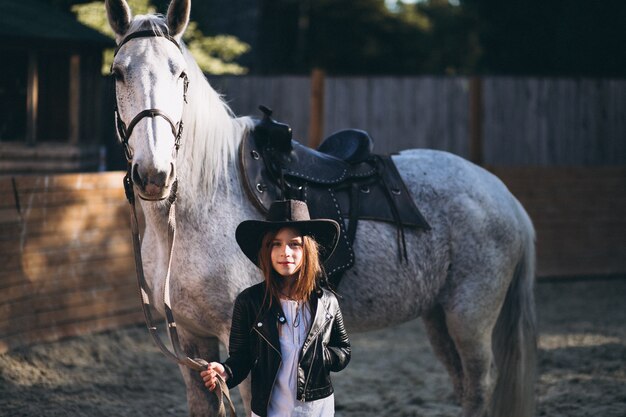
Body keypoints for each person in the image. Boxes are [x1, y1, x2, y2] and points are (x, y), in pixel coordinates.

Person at [201, 199, 351, 417]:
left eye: (294, 244)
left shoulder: (327, 302)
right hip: (269, 410)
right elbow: (241, 357)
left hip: (317, 409)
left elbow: (344, 350)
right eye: (276, 244)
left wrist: (322, 356)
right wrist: (226, 371)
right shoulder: (249, 301)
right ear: (267, 250)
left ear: (307, 249)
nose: (285, 252)